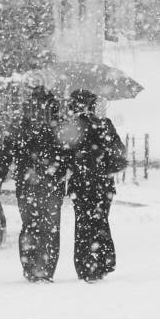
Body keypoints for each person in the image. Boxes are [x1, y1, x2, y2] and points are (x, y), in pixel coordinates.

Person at [0, 85, 67, 283]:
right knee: (50, 228)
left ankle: (30, 266)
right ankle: (45, 269)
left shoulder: (20, 125)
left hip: (26, 184)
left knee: (30, 225)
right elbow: (69, 154)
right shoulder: (58, 126)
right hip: (52, 184)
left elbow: (5, 155)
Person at [62, 89, 125, 283]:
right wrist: (104, 168)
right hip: (102, 185)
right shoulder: (104, 126)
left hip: (81, 185)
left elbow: (63, 158)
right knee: (100, 221)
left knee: (83, 225)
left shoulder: (72, 128)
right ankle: (103, 260)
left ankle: (86, 265)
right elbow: (119, 157)